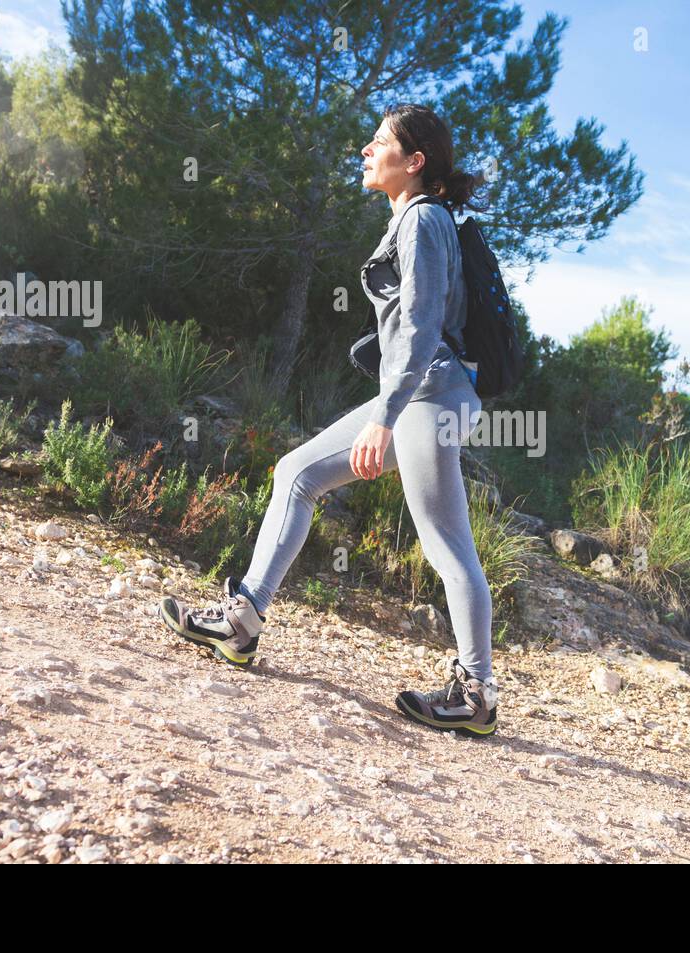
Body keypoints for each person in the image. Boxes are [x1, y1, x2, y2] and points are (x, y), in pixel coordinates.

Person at [160, 103, 499, 737]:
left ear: (415, 161)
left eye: (380, 143)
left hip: (429, 396)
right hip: (428, 395)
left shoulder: (424, 218)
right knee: (297, 472)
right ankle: (243, 622)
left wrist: (385, 418)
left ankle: (477, 693)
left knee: (447, 547)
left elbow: (422, 329)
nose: (366, 151)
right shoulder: (414, 219)